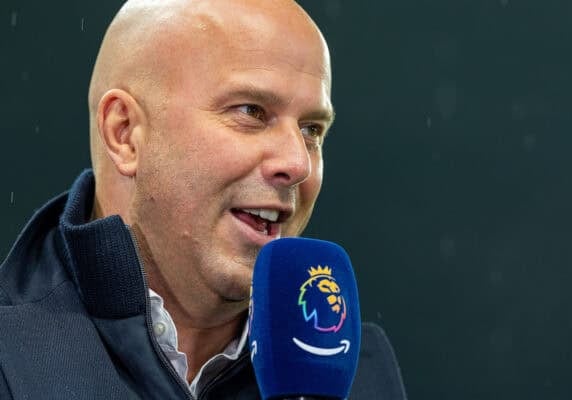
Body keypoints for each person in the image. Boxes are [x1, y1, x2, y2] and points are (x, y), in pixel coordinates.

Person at [0, 0, 406, 398]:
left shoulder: (358, 375)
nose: (298, 164)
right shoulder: (12, 356)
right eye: (251, 111)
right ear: (124, 133)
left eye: (312, 130)